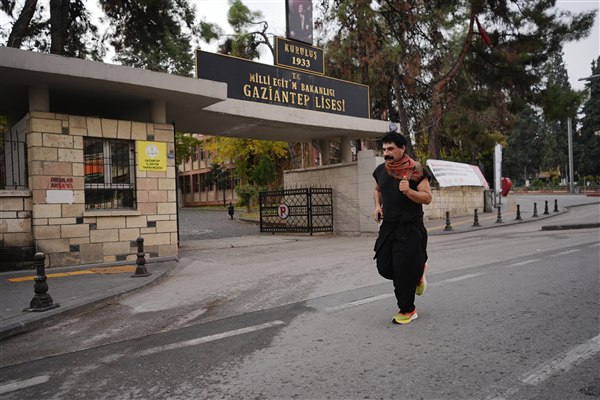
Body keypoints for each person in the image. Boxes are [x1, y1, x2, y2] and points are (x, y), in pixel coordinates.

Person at [373, 132, 432, 325]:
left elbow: (427, 198)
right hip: (388, 226)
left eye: (390, 149)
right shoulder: (381, 170)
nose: (386, 153)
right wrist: (377, 206)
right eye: (384, 149)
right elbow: (377, 189)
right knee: (384, 266)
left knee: (402, 270)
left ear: (402, 148)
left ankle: (408, 310)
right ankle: (418, 270)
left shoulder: (416, 170)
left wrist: (408, 191)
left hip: (410, 227)